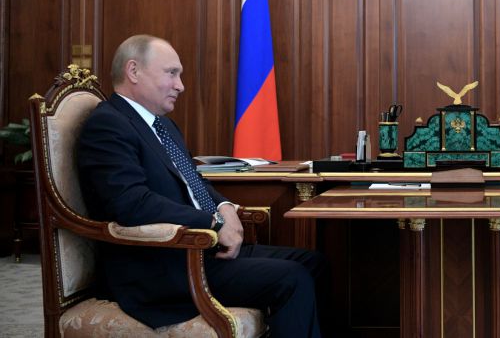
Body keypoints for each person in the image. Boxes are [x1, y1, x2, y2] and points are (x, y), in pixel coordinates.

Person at [78, 35, 324, 338]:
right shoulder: (108, 125)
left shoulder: (162, 125)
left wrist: (224, 206)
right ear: (133, 71)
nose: (180, 85)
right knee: (293, 277)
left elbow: (193, 181)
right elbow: (131, 203)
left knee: (313, 262)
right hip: (164, 266)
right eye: (172, 73)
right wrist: (213, 222)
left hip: (201, 252)